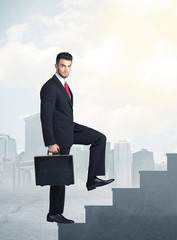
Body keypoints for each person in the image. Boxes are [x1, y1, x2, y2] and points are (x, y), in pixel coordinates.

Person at [40, 52, 114, 224]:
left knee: (99, 138)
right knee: (59, 177)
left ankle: (92, 180)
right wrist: (50, 142)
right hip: (58, 137)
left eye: (69, 66)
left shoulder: (65, 86)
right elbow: (45, 116)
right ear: (56, 66)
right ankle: (54, 213)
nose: (66, 69)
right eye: (63, 65)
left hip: (70, 129)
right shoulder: (49, 87)